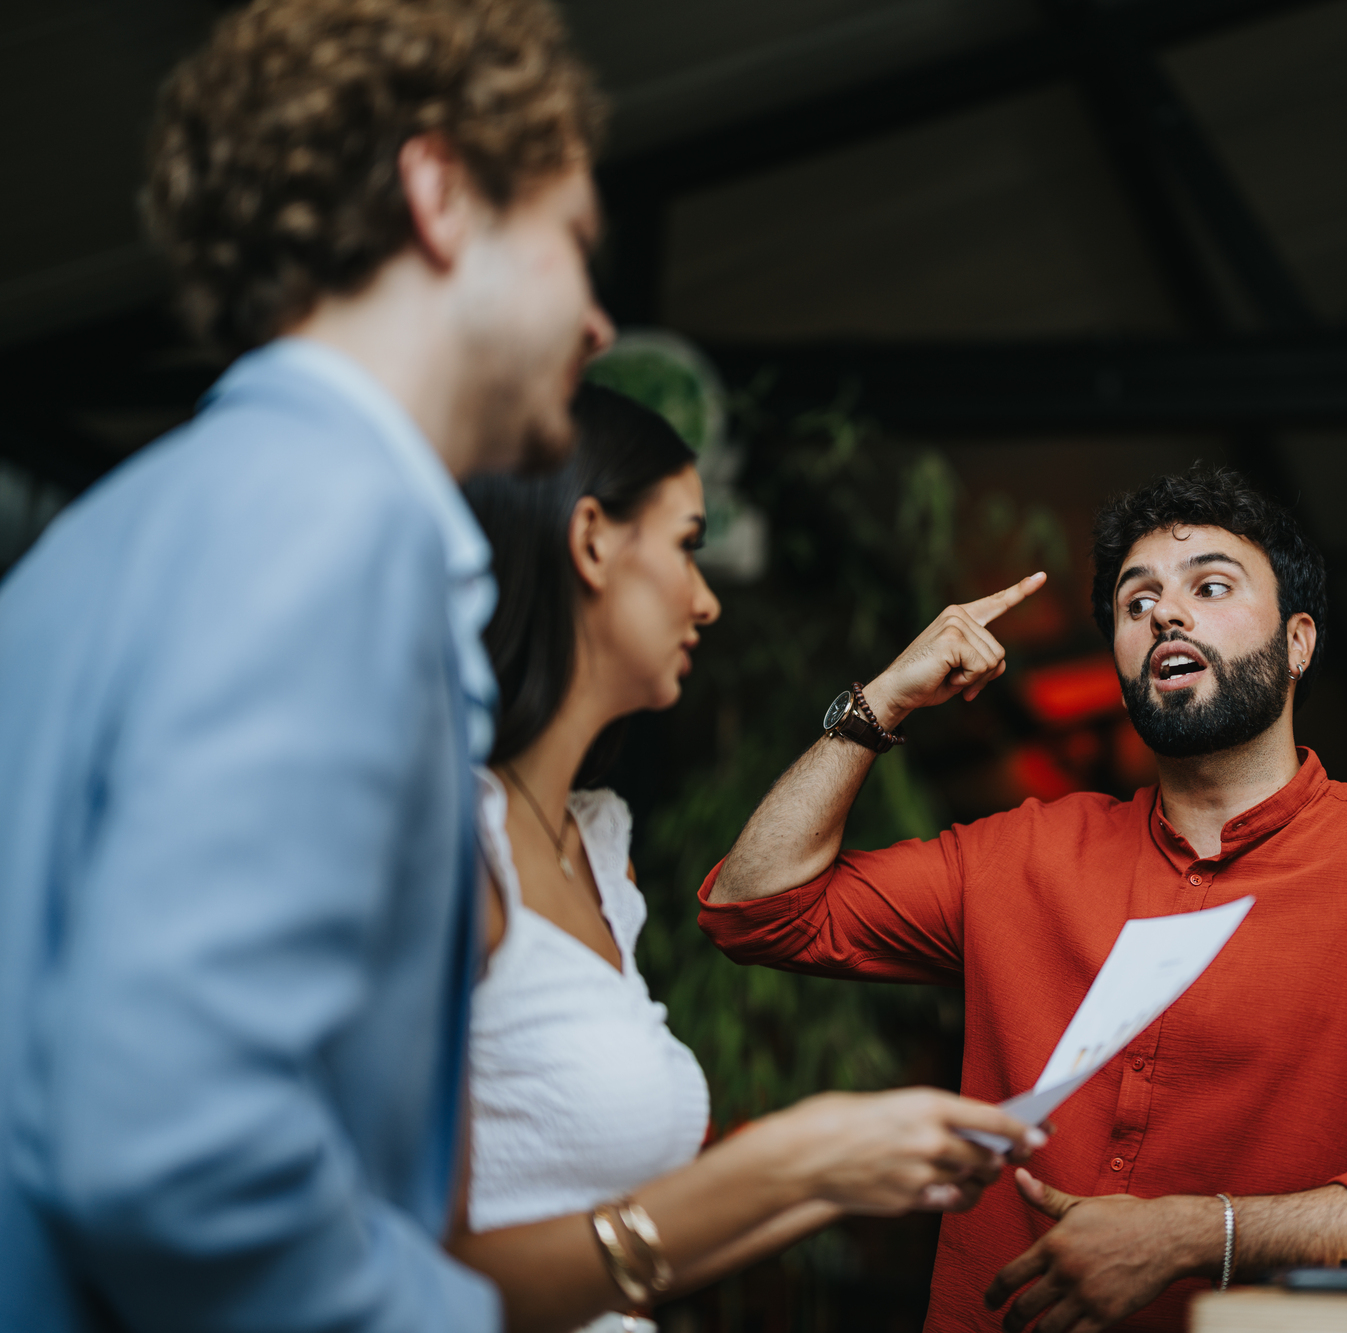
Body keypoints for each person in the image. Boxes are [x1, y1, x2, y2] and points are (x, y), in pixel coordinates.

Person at [0, 1, 1027, 1328]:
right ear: (439, 199)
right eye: (572, 244)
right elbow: (173, 1151)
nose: (600, 323)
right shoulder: (337, 531)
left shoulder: (100, 544)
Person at [700, 466, 1347, 1332]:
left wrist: (1199, 1234)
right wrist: (884, 699)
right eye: (1136, 603)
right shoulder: (1017, 852)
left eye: (1210, 585)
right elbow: (752, 906)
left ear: (1299, 642)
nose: (1165, 613)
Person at [451, 384, 1038, 1333]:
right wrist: (793, 1159)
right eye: (687, 544)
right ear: (592, 540)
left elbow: (641, 1245)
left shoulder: (597, 847)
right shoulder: (441, 850)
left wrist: (854, 1173)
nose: (709, 598)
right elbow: (422, 1288)